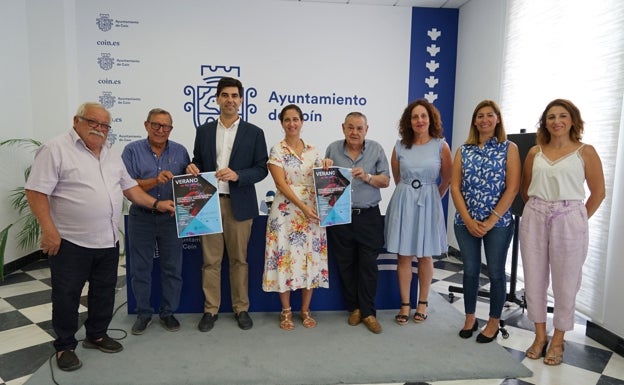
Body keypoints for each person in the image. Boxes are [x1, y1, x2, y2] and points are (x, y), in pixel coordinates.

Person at [25, 102, 175, 371]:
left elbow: (130, 190)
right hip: (70, 241)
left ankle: (96, 334)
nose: (99, 128)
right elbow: (36, 192)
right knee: (67, 295)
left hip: (107, 240)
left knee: (103, 292)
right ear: (76, 120)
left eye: (105, 125)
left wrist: (157, 204)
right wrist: (49, 230)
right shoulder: (55, 149)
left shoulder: (111, 154)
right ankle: (65, 346)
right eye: (92, 122)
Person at [520, 99, 605, 365]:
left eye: (562, 116)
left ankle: (558, 339)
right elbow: (526, 188)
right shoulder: (535, 152)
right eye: (551, 117)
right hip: (535, 214)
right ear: (544, 122)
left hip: (569, 218)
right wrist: (539, 209)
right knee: (533, 278)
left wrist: (576, 219)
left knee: (565, 282)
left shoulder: (585, 152)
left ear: (572, 120)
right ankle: (540, 336)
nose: (556, 121)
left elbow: (598, 192)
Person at [186, 77, 268, 332]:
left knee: (239, 260)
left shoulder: (254, 132)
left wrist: (238, 176)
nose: (230, 100)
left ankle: (241, 308)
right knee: (210, 261)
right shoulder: (204, 131)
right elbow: (198, 160)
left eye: (235, 95)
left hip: (240, 204)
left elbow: (261, 168)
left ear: (241, 100)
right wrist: (192, 166)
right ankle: (210, 310)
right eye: (225, 95)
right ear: (217, 99)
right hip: (208, 203)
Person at [450, 100, 521, 343]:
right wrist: (469, 220)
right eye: (480, 115)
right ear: (474, 121)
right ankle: (470, 317)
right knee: (469, 271)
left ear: (498, 119)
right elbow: (455, 187)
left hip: (498, 225)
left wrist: (490, 221)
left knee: (496, 273)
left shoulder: (508, 148)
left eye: (490, 115)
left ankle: (493, 321)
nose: (484, 120)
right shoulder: (463, 150)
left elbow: (512, 189)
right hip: (465, 222)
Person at [262, 104, 333, 330]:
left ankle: (305, 309)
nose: (292, 124)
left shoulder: (313, 150)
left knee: (308, 258)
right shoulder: (277, 150)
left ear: (302, 122)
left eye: (296, 119)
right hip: (285, 211)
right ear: (282, 123)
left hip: (311, 212)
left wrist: (327, 165)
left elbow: (322, 178)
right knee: (283, 257)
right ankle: (286, 311)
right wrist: (302, 206)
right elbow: (280, 184)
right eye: (287, 120)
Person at [121, 108, 190, 335]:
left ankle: (168, 313)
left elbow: (189, 187)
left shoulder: (181, 152)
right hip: (141, 217)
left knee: (173, 268)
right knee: (141, 268)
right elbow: (126, 185)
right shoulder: (131, 151)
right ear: (146, 125)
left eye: (166, 126)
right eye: (156, 125)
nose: (161, 130)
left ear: (171, 128)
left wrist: (193, 174)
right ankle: (143, 313)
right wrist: (154, 181)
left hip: (171, 218)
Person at [385, 99, 453, 325]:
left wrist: (433, 196)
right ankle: (405, 304)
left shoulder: (441, 145)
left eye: (423, 116)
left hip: (428, 202)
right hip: (404, 202)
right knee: (403, 255)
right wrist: (410, 193)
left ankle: (422, 302)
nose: (419, 120)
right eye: (415, 117)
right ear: (409, 121)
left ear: (430, 119)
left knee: (425, 255)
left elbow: (448, 178)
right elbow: (397, 178)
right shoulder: (400, 146)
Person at [325, 112, 390, 334]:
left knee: (368, 266)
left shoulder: (376, 149)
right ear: (343, 128)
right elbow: (325, 182)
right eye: (350, 127)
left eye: (359, 128)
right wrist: (324, 168)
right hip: (340, 217)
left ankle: (369, 312)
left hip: (369, 216)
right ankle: (353, 308)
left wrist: (368, 177)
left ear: (366, 129)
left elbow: (386, 180)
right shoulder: (332, 149)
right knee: (345, 265)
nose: (354, 132)